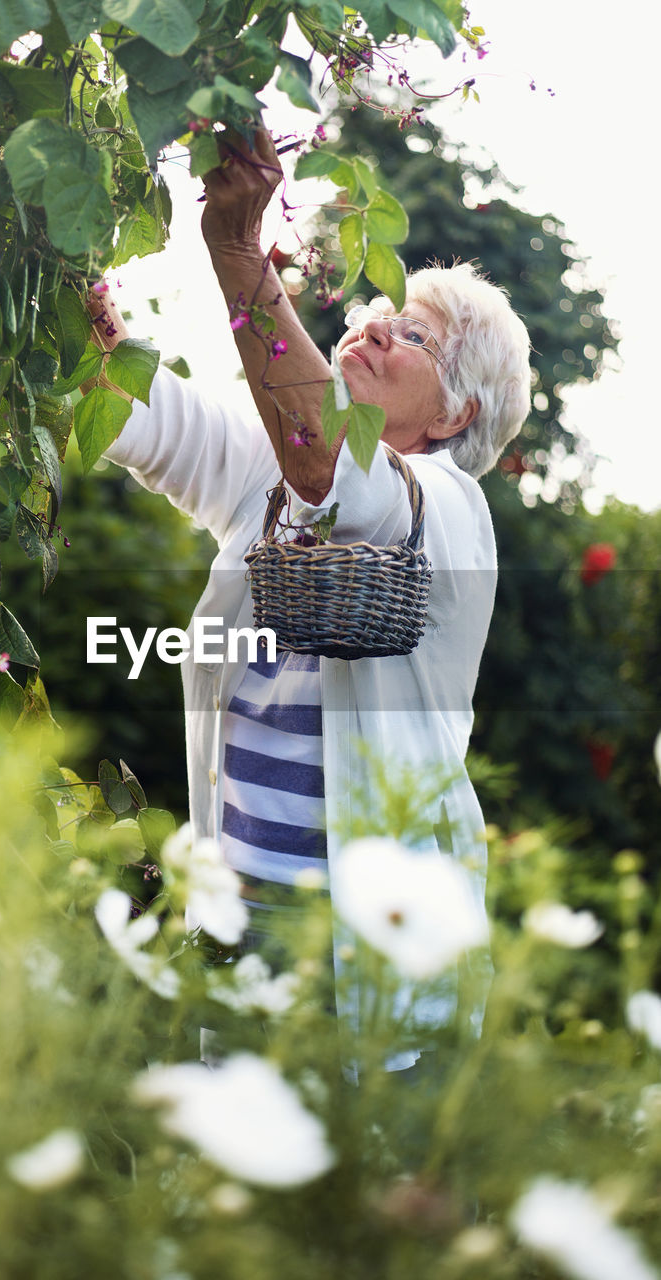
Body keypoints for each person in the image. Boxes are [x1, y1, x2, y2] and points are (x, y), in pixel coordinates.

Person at [88, 128, 531, 1052]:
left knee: (366, 1174)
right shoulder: (271, 475)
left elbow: (338, 470)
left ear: (455, 413)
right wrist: (84, 315)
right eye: (373, 311)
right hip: (243, 914)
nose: (371, 326)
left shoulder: (447, 510)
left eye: (413, 336)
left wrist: (239, 252)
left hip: (368, 933)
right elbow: (139, 411)